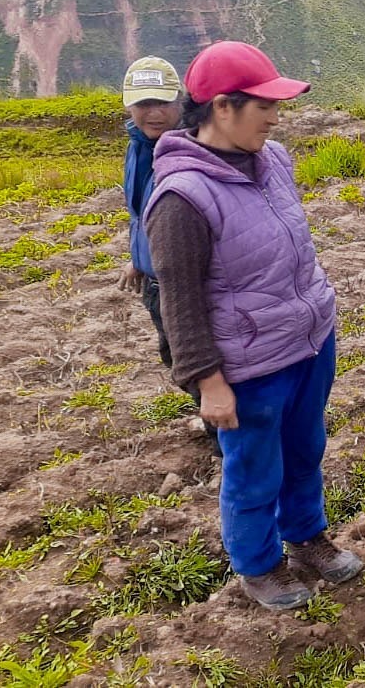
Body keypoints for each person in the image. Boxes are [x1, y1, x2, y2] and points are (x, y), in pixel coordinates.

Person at [144, 41, 363, 610]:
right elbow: (180, 301)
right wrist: (207, 382)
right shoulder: (181, 197)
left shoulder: (275, 159)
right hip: (250, 364)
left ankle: (307, 536)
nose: (274, 116)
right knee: (254, 468)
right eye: (262, 105)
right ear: (222, 106)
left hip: (308, 342)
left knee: (305, 447)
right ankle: (258, 565)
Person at [116, 57, 221, 451]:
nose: (153, 112)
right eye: (143, 104)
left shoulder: (191, 152)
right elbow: (142, 211)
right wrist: (137, 258)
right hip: (156, 280)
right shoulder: (139, 146)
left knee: (200, 364)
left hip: (185, 283)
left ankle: (228, 444)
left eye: (162, 102)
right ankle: (221, 431)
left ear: (181, 102)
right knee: (178, 359)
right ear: (129, 106)